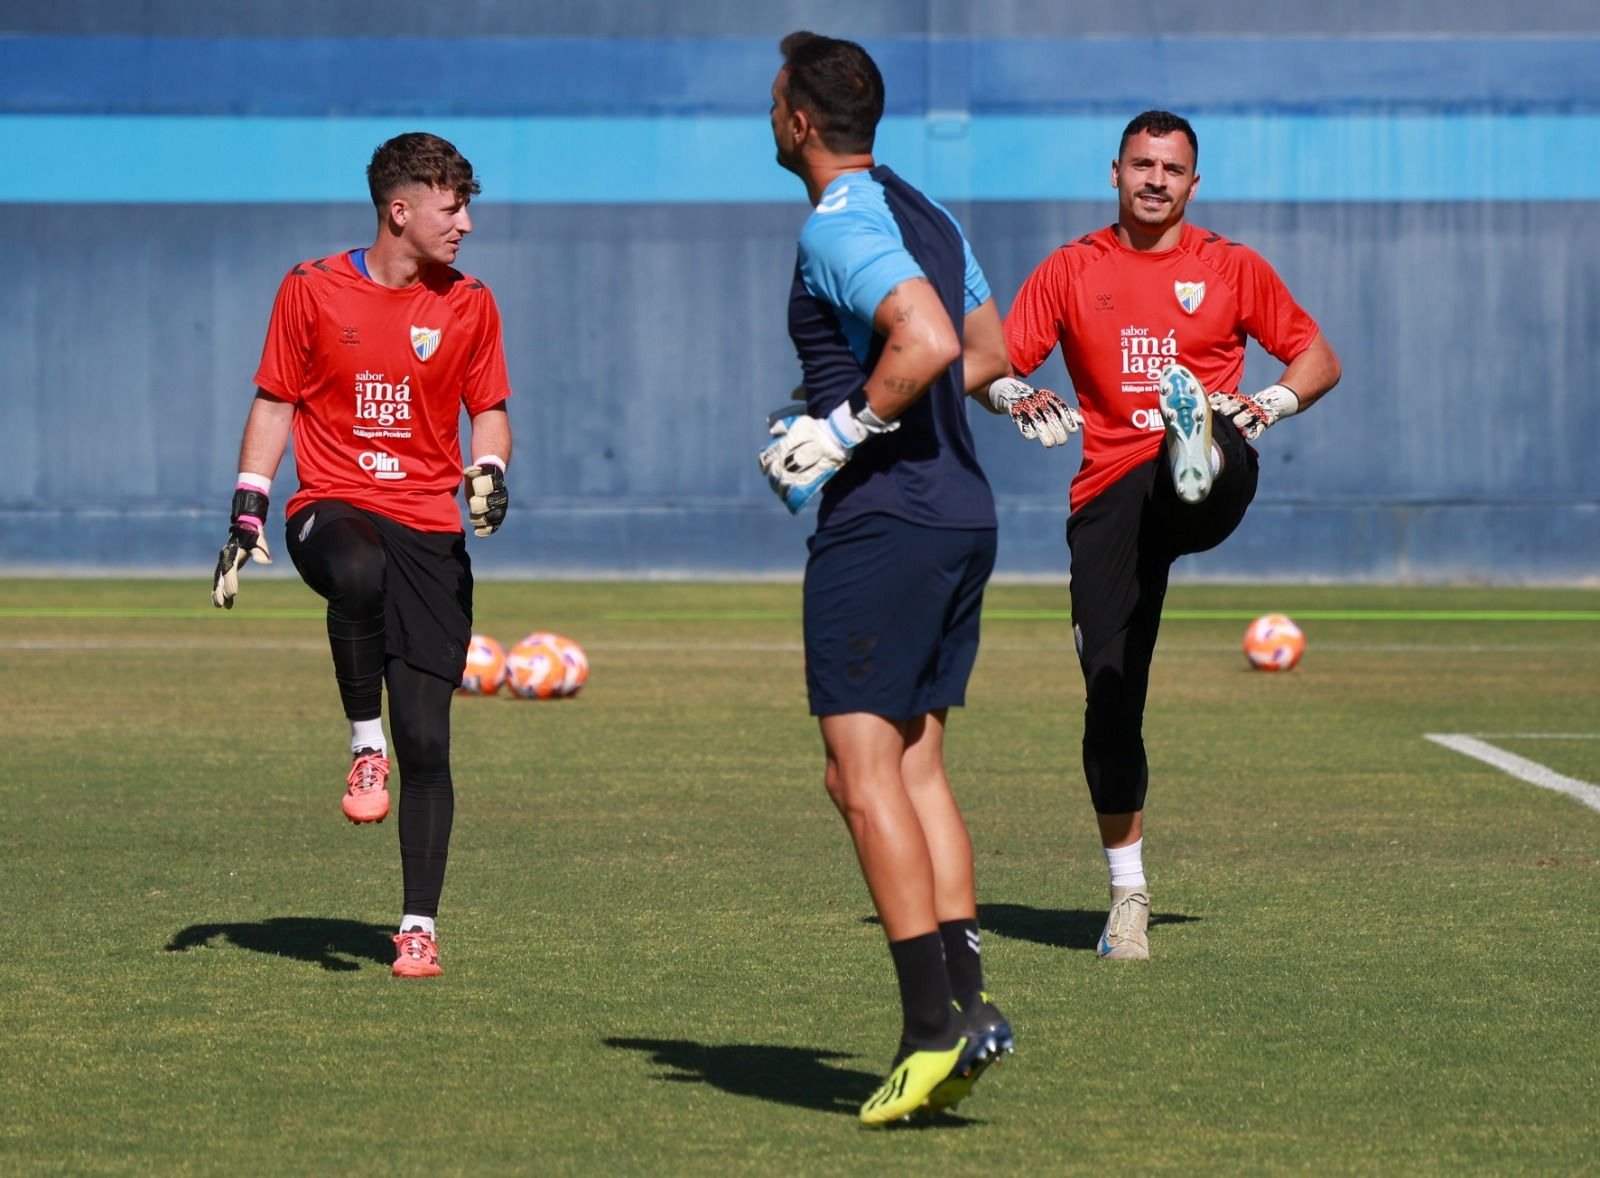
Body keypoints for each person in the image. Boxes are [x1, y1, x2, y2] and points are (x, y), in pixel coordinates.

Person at [757, 31, 1067, 1126]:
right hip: (960, 511)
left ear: (798, 118)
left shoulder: (838, 219)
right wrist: (845, 403)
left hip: (886, 523)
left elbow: (931, 340)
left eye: (775, 94)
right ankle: (971, 1007)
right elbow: (988, 351)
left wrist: (838, 429)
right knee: (916, 764)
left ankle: (929, 1025)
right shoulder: (923, 210)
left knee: (857, 773)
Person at [997, 110, 1341, 960]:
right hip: (1108, 490)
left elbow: (1317, 358)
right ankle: (1128, 901)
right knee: (1110, 697)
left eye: (1173, 168)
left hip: (1217, 458)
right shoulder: (1070, 269)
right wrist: (1015, 397)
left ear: (1195, 184)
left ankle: (1198, 443)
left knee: (1205, 450)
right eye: (1142, 165)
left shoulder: (1229, 265)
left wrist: (1266, 403)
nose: (1156, 179)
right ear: (1114, 172)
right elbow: (994, 363)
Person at [210, 131, 513, 979]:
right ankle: (360, 738)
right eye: (453, 210)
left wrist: (488, 469)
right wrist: (246, 509)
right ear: (401, 209)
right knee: (354, 570)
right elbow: (276, 402)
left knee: (431, 741)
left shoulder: (471, 303)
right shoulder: (310, 289)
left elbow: (488, 410)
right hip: (331, 507)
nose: (465, 227)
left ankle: (418, 927)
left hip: (431, 531)